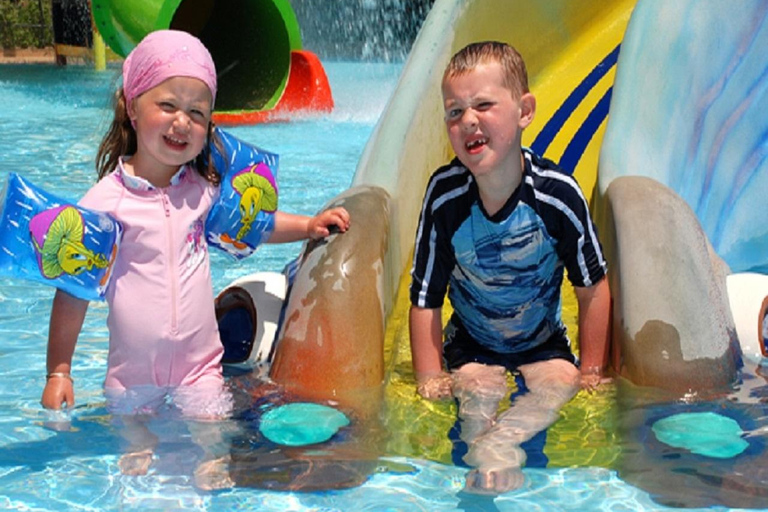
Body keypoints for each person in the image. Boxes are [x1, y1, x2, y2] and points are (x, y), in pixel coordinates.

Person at [40, 30, 350, 489]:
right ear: (131, 105)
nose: (182, 121)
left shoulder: (201, 193)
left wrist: (307, 226)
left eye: (197, 112)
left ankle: (209, 460)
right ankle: (138, 442)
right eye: (168, 105)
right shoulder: (103, 203)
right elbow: (73, 292)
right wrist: (59, 371)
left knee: (213, 440)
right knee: (135, 450)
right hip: (132, 377)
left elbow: (254, 224)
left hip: (199, 366)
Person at [409, 41, 611, 494]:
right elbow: (425, 299)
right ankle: (491, 451)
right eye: (454, 111)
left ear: (524, 111)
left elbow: (592, 288)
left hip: (543, 343)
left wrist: (594, 370)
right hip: (471, 345)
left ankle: (499, 444)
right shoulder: (444, 196)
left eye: (483, 105)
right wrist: (429, 376)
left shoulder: (558, 196)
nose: (468, 121)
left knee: (561, 381)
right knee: (476, 389)